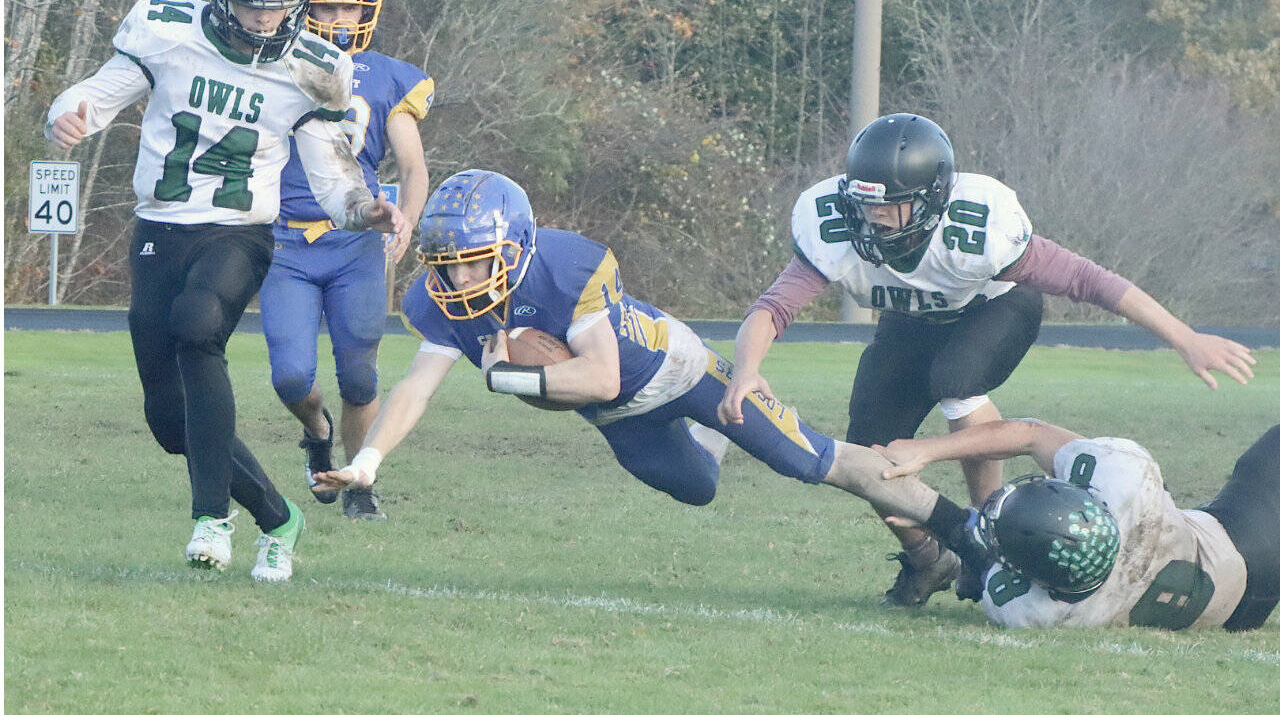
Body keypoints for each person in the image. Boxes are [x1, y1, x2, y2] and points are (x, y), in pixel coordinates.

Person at [310, 169, 984, 571]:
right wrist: (368, 462)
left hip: (678, 367)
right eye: (448, 261)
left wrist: (508, 377)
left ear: (514, 247)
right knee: (695, 488)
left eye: (474, 260)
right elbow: (415, 388)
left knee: (811, 461)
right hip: (617, 415)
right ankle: (716, 437)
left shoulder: (567, 266)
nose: (458, 277)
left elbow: (600, 374)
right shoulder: (440, 301)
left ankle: (971, 534)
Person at [718, 112, 1256, 607]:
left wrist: (1184, 336)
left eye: (889, 204)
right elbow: (773, 308)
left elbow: (1089, 280)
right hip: (910, 324)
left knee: (957, 380)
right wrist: (746, 368)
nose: (874, 218)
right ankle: (931, 559)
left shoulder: (977, 228)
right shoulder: (836, 227)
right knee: (869, 454)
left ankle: (990, 541)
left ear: (931, 198)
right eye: (865, 203)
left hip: (995, 309)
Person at [44, 0, 407, 582]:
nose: (265, 18)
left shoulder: (315, 69)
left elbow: (333, 176)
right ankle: (277, 518)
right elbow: (94, 96)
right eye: (252, 3)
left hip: (239, 232)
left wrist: (364, 210)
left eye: (277, 5)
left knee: (198, 326)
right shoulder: (166, 30)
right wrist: (65, 115)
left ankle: (210, 518)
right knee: (169, 420)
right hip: (160, 227)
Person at [258, 0, 432, 523]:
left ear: (368, 13)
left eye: (350, 8)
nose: (339, 19)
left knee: (359, 373)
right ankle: (317, 430)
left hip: (355, 243)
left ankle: (360, 483)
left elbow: (411, 166)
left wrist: (405, 218)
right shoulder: (274, 63)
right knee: (290, 376)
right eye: (328, 5)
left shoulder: (385, 79)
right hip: (284, 243)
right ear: (305, 7)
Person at [875, 418, 1279, 631]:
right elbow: (1032, 434)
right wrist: (928, 451)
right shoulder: (1125, 479)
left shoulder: (1032, 611)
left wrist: (937, 520)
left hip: (1234, 610)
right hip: (1248, 544)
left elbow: (987, 553)